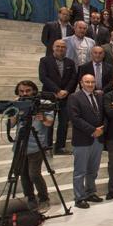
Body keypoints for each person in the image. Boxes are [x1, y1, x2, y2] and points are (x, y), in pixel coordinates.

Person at [11, 81, 53, 212]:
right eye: (21, 91)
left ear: (34, 90)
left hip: (37, 144)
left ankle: (44, 199)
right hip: (20, 144)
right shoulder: (18, 104)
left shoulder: (45, 103)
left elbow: (49, 123)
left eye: (28, 90)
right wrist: (14, 108)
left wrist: (43, 118)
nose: (25, 93)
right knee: (23, 174)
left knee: (34, 174)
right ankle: (30, 199)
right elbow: (12, 124)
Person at [68, 74, 105, 209]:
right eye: (87, 82)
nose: (90, 84)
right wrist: (92, 130)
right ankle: (79, 197)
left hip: (98, 138)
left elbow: (104, 115)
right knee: (80, 171)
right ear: (81, 83)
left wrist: (101, 129)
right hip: (83, 139)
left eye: (92, 82)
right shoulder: (74, 97)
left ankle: (90, 192)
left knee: (93, 170)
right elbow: (75, 118)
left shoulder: (99, 96)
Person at [39, 40, 77, 155]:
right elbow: (43, 77)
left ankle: (60, 147)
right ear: (53, 47)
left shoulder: (70, 62)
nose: (60, 49)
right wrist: (57, 90)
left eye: (63, 47)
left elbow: (73, 79)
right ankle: (47, 145)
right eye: (58, 46)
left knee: (64, 122)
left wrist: (66, 91)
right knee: (48, 121)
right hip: (49, 96)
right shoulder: (45, 60)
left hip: (65, 97)